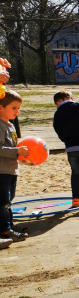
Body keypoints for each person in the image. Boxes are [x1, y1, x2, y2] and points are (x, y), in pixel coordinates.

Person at [0, 90, 28, 243]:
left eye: (19, 108)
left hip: (10, 170)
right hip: (2, 171)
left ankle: (9, 226)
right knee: (3, 202)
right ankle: (5, 230)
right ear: (0, 108)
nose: (17, 111)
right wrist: (17, 151)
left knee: (9, 200)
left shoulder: (10, 125)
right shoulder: (0, 126)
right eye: (14, 108)